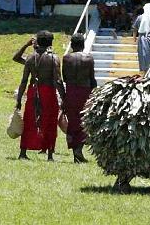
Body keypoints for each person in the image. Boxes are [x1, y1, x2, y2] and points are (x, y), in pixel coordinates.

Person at [15, 31, 65, 161]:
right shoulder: (54, 58)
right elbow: (58, 81)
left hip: (33, 91)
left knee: (30, 120)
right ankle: (49, 154)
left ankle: (23, 152)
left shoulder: (31, 58)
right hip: (48, 92)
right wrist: (64, 98)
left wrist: (19, 99)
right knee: (50, 121)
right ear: (50, 43)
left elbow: (24, 80)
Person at [62, 33, 97, 163]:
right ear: (83, 44)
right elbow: (92, 79)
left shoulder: (66, 58)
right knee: (84, 121)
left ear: (71, 44)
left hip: (71, 91)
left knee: (73, 121)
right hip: (85, 92)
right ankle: (79, 150)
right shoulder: (89, 58)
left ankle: (75, 151)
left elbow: (65, 77)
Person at [133, 3, 150, 71]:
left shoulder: (140, 17)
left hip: (143, 38)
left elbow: (135, 28)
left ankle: (145, 71)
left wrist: (134, 38)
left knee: (143, 55)